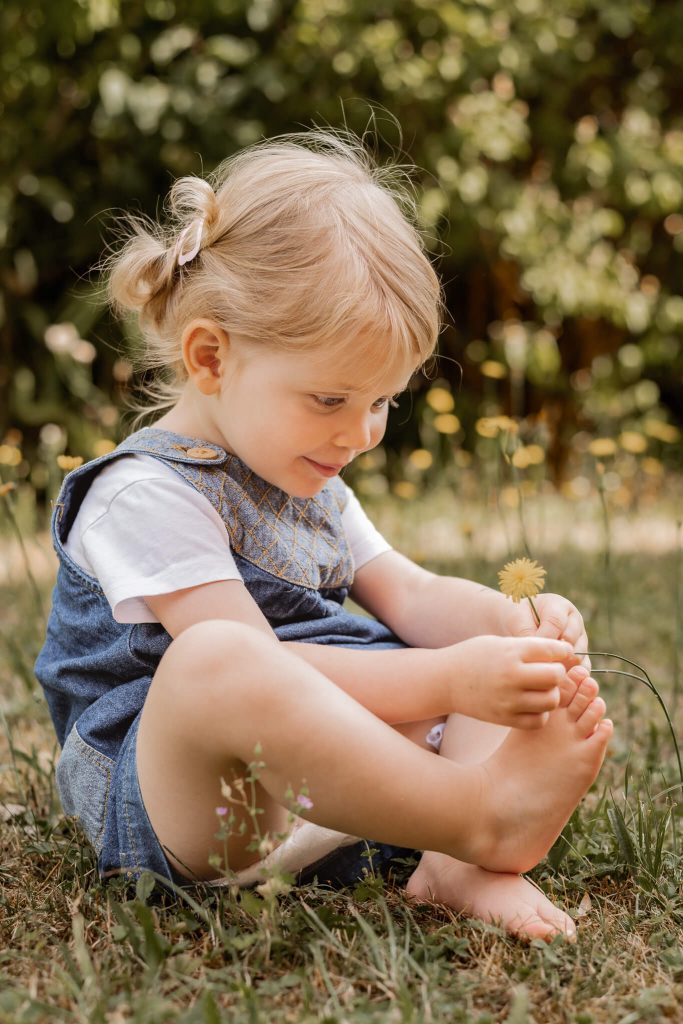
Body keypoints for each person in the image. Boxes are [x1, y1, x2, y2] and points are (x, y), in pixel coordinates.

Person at [35, 131, 612, 943]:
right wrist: (450, 680)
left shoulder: (312, 478)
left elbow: (409, 594)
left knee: (500, 630)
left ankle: (456, 864)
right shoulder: (140, 494)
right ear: (210, 356)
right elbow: (261, 672)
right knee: (217, 663)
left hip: (319, 797)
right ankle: (478, 813)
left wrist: (513, 628)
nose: (363, 432)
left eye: (382, 402)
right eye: (333, 399)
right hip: (191, 809)